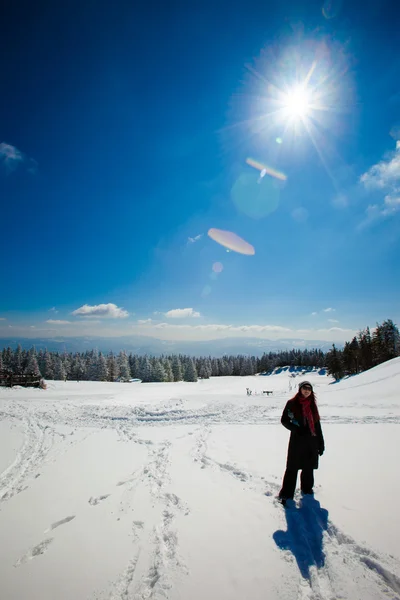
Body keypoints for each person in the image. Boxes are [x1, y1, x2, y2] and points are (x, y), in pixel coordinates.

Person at [278, 381, 325, 505]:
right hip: (297, 440)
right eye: (304, 388)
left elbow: (317, 425)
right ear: (300, 389)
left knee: (308, 468)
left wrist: (321, 443)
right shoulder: (292, 403)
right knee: (292, 468)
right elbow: (284, 420)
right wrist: (297, 429)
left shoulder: (312, 405)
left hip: (312, 441)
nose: (307, 391)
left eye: (309, 389)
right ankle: (286, 494)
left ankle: (307, 490)